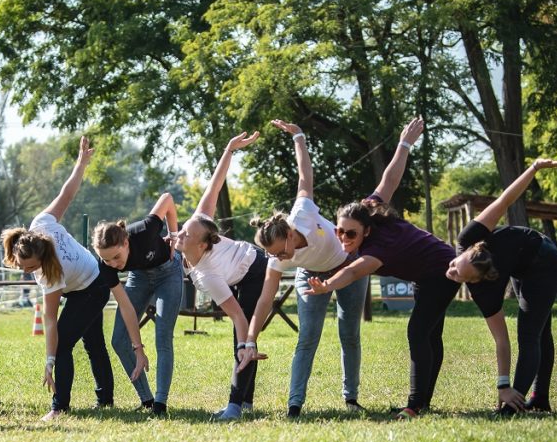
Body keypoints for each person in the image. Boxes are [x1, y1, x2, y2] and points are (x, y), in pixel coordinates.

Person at [305, 117, 460, 420]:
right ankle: (422, 403)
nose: (343, 239)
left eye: (351, 234)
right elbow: (389, 180)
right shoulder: (366, 209)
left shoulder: (377, 250)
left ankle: (414, 406)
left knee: (419, 332)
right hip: (423, 272)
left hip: (442, 269)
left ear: (367, 231)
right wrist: (404, 144)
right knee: (429, 335)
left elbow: (351, 272)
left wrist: (326, 286)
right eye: (339, 231)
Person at [1, 136, 148, 421]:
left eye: (29, 267)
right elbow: (66, 194)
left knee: (66, 343)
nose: (24, 270)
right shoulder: (40, 224)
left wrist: (50, 360)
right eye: (21, 264)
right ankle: (105, 401)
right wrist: (81, 163)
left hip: (93, 286)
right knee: (93, 343)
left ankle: (59, 406)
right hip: (78, 283)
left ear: (42, 261)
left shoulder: (51, 274)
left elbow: (51, 320)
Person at [239, 120, 369, 419]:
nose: (280, 257)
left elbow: (304, 176)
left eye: (280, 249)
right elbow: (264, 300)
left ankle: (351, 398)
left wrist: (298, 136)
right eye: (273, 255)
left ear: (288, 233)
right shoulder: (278, 258)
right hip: (310, 275)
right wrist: (249, 338)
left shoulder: (303, 214)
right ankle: (294, 405)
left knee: (349, 334)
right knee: (307, 337)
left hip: (347, 267)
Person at [446, 157, 557, 413]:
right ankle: (540, 399)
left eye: (459, 273)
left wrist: (534, 168)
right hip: (519, 264)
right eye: (457, 267)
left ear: (480, 278)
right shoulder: (470, 245)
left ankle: (516, 403)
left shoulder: (482, 278)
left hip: (545, 262)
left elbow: (506, 200)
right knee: (539, 331)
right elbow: (501, 339)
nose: (452, 271)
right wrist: (502, 383)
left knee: (529, 332)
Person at [174, 130, 272, 421]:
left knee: (241, 339)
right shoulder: (197, 228)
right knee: (242, 340)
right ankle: (245, 402)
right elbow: (213, 189)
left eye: (185, 234)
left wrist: (247, 343)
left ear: (202, 244)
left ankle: (235, 405)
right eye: (182, 229)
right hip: (239, 273)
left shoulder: (207, 275)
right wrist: (229, 149)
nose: (180, 233)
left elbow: (240, 319)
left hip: (257, 269)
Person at [92, 192, 182, 416]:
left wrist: (174, 236)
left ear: (125, 242)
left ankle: (160, 404)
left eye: (116, 256)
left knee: (162, 333)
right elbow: (126, 307)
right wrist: (138, 349)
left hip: (168, 272)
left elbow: (168, 199)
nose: (113, 264)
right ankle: (147, 401)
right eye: (106, 260)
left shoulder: (145, 230)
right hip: (139, 277)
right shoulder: (106, 267)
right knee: (119, 340)